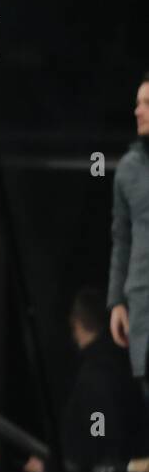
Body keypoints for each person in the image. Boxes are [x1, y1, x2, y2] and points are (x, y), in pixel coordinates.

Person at [64, 287, 149, 472]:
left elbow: (99, 416)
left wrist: (97, 452)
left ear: (76, 323)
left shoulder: (96, 370)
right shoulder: (119, 360)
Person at [109, 72, 149, 405]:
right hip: (142, 303)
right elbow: (121, 238)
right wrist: (117, 301)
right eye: (138, 103)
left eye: (147, 103)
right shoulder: (129, 168)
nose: (138, 111)